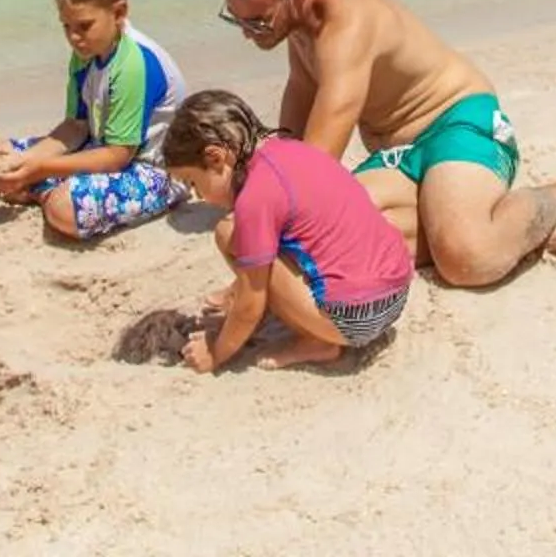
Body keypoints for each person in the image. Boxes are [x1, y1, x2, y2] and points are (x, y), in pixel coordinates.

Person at [213, 0, 556, 288]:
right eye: (236, 19)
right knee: (356, 241)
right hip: (402, 153)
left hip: (461, 121)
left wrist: (256, 221)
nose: (248, 35)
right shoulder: (296, 6)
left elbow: (311, 174)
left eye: (258, 21)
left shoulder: (346, 25)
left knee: (465, 259)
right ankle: (518, 229)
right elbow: (302, 85)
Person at [162, 89, 411, 372]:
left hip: (355, 319)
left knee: (228, 233)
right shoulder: (292, 150)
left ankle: (318, 341)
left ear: (217, 158)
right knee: (265, 238)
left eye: (194, 183)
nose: (198, 197)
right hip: (397, 292)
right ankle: (303, 318)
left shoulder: (255, 197)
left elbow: (250, 305)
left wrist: (215, 354)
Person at [0, 0, 187, 241]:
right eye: (67, 27)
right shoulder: (86, 54)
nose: (74, 37)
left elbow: (117, 156)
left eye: (84, 26)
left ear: (119, 13)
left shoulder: (133, 64)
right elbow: (75, 127)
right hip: (100, 147)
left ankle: (40, 189)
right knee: (1, 156)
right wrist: (27, 161)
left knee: (65, 208)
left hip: (153, 171)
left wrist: (38, 168)